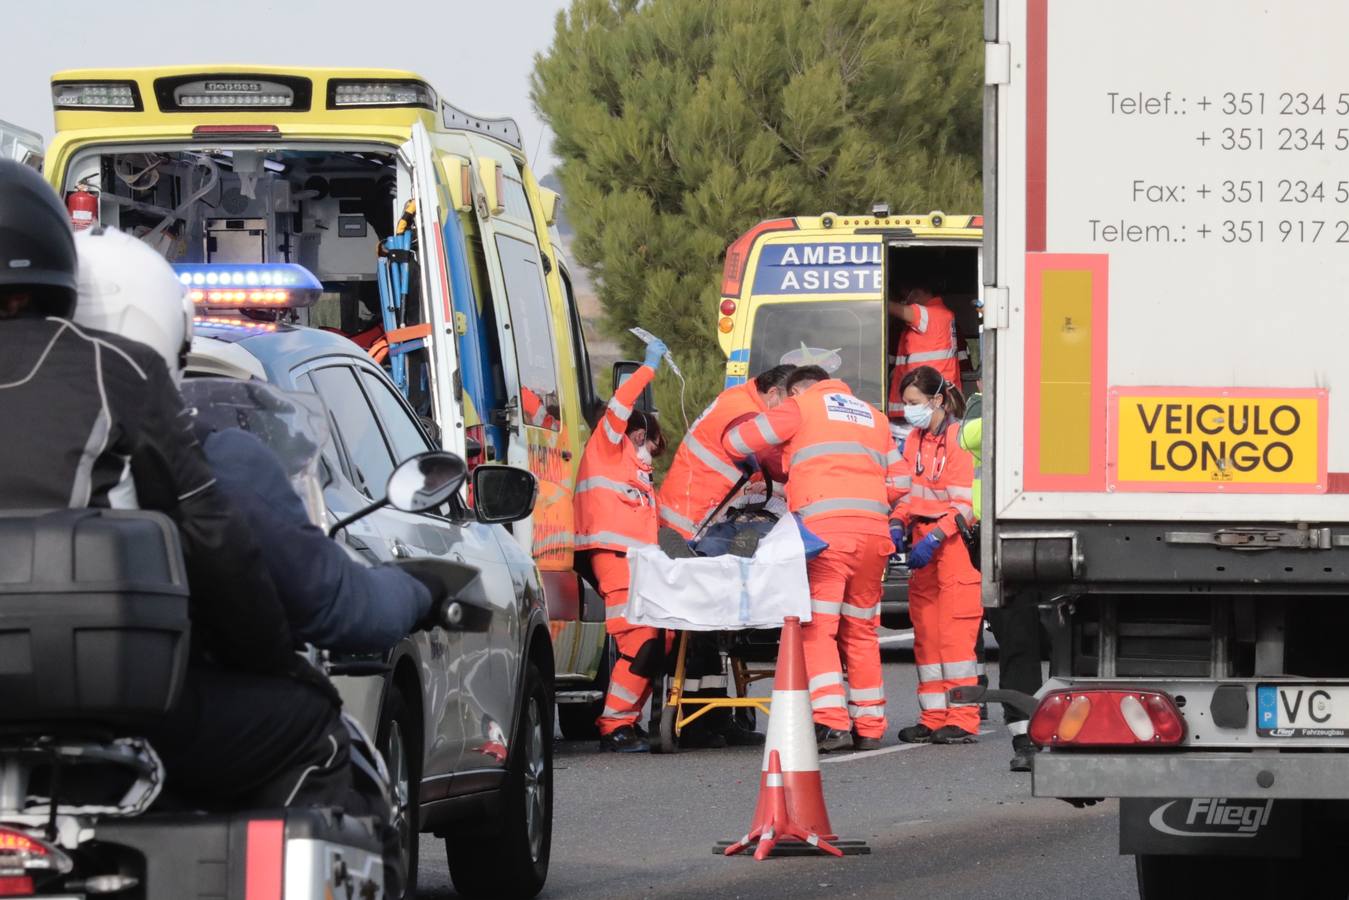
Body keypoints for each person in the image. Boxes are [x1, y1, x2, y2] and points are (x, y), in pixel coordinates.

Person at [722, 365, 910, 753]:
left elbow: (737, 441)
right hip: (873, 536)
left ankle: (831, 722)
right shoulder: (871, 415)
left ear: (797, 390)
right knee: (860, 631)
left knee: (818, 629)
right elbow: (903, 482)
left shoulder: (801, 407)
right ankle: (870, 724)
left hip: (825, 538)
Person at [653, 365, 796, 749]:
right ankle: (701, 719)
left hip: (707, 522)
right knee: (701, 615)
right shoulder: (745, 413)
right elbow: (767, 456)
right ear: (775, 394)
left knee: (705, 624)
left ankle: (711, 716)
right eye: (789, 403)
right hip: (696, 524)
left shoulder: (739, 402)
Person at [575, 338, 669, 752]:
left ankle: (626, 720)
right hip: (613, 559)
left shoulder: (638, 475)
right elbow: (620, 405)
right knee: (642, 643)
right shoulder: (607, 447)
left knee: (660, 643)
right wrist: (647, 370)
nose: (653, 455)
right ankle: (615, 725)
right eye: (652, 445)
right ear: (638, 433)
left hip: (636, 563)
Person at [890, 365, 983, 744]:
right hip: (923, 540)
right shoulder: (914, 440)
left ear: (938, 400)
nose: (910, 410)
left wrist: (934, 538)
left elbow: (965, 505)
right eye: (906, 404)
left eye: (914, 403)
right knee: (927, 636)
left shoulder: (960, 439)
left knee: (955, 638)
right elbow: (909, 493)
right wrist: (897, 522)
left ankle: (962, 717)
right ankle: (933, 716)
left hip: (955, 543)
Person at [959, 385, 1043, 771]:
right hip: (1005, 536)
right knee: (1018, 642)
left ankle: (1065, 727)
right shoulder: (982, 403)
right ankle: (1024, 737)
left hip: (1040, 528)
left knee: (1062, 639)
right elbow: (971, 436)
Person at [887, 282, 961, 431]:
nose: (907, 300)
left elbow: (891, 308)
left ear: (920, 292)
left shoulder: (929, 313)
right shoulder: (943, 315)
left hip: (926, 400)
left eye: (907, 295)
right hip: (933, 400)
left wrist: (874, 296)